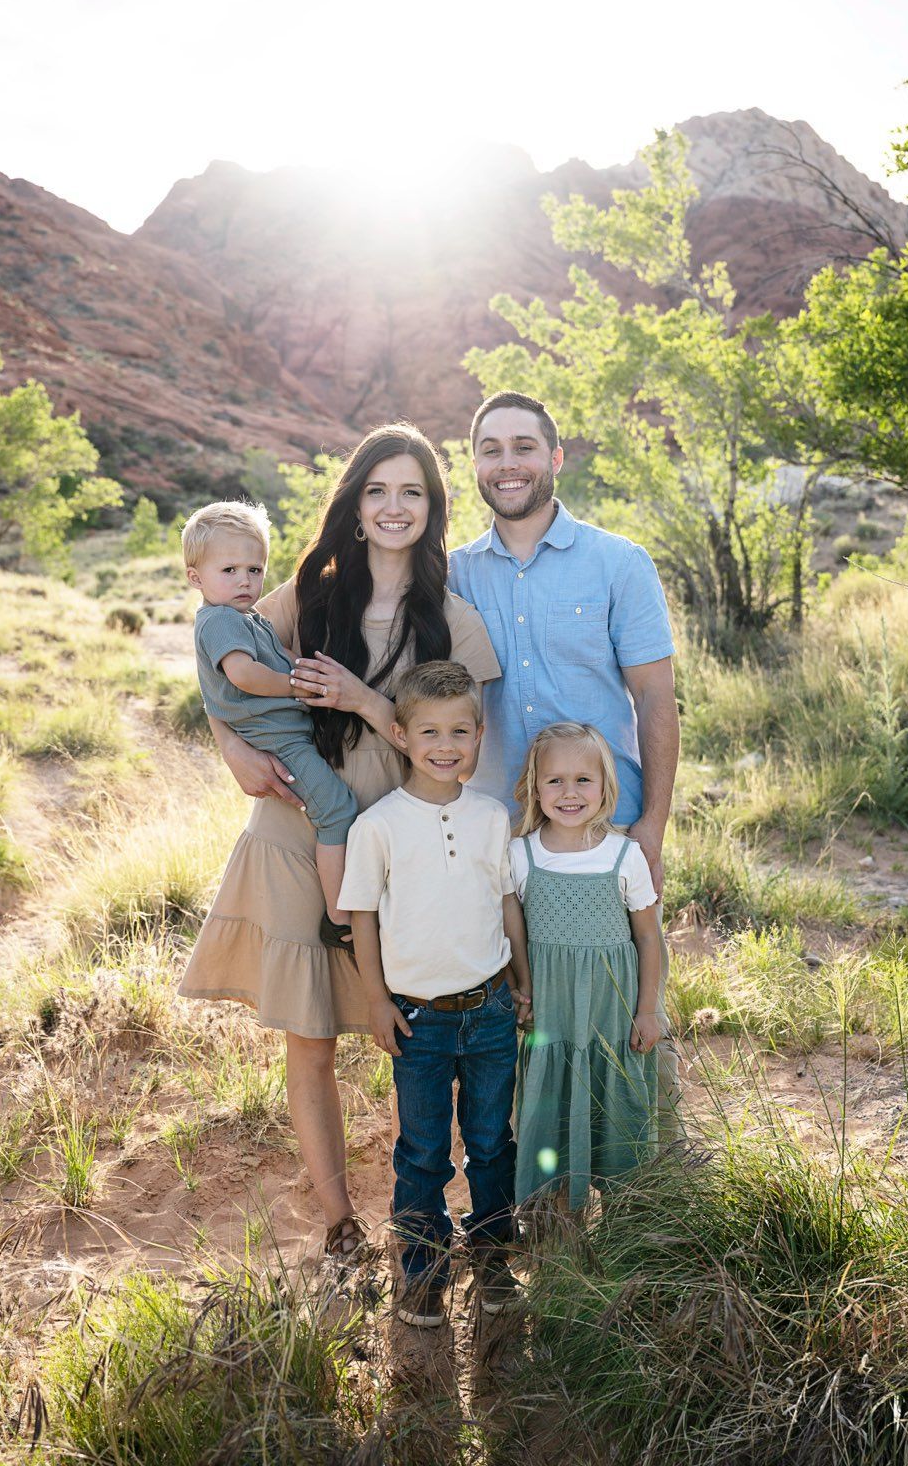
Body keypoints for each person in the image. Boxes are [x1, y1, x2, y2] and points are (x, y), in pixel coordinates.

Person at [177, 426, 501, 1265]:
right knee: (311, 1040)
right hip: (296, 836)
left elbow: (461, 746)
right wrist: (233, 751)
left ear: (432, 512)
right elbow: (219, 659)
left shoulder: (453, 623)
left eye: (413, 493)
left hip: (403, 856)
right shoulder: (301, 597)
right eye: (378, 491)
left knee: (407, 1040)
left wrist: (363, 698)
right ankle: (336, 1221)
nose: (394, 508)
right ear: (355, 506)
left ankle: (415, 1218)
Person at [447, 390, 683, 1140]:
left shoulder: (618, 562)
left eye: (523, 446)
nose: (506, 463)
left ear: (553, 458)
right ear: (475, 465)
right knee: (519, 994)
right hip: (499, 826)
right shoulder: (450, 575)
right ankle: (541, 1180)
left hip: (602, 821)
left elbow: (654, 699)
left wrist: (650, 823)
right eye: (490, 449)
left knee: (623, 989)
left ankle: (653, 1172)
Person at [340, 661, 532, 1328]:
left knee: (492, 1143)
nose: (445, 745)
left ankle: (494, 1259)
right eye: (429, 731)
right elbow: (361, 915)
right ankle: (421, 1272)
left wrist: (521, 978)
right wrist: (375, 1001)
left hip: (489, 1010)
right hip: (418, 1017)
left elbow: (506, 901)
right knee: (422, 1152)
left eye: (460, 731)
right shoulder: (380, 825)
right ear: (400, 735)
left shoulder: (490, 818)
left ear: (479, 735)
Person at [183, 500, 356, 939]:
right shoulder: (220, 620)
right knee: (337, 810)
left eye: (255, 570)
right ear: (195, 577)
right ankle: (340, 919)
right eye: (229, 570)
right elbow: (243, 674)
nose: (245, 580)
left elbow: (281, 658)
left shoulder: (249, 619)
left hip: (291, 735)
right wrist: (299, 686)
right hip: (280, 743)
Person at [510, 722, 661, 1210]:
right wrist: (522, 991)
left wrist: (648, 1010)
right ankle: (556, 1231)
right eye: (554, 780)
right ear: (535, 786)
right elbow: (513, 936)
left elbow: (647, 937)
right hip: (551, 1022)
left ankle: (628, 1227)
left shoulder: (625, 855)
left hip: (611, 1023)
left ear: (605, 787)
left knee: (617, 1124)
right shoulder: (521, 854)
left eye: (582, 780)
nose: (569, 793)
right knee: (551, 1118)